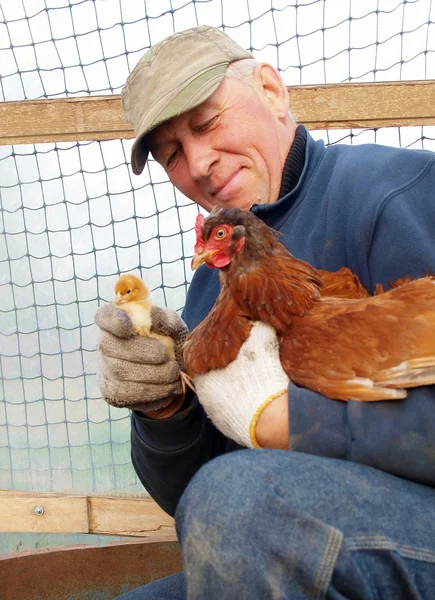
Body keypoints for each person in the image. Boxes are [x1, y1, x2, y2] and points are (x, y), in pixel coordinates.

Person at [95, 25, 435, 600]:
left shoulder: (394, 196)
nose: (199, 161)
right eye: (172, 153)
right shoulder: (214, 282)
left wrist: (289, 423)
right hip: (281, 531)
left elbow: (246, 500)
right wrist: (165, 411)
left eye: (206, 123)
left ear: (272, 91)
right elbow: (200, 508)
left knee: (240, 503)